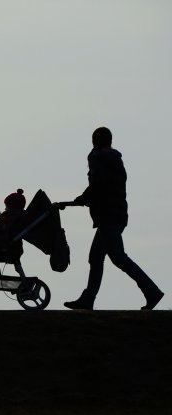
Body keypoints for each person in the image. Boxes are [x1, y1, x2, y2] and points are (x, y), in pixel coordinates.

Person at [63, 126, 163, 311]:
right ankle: (88, 299)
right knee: (96, 257)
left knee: (118, 257)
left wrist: (82, 199)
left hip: (108, 216)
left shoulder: (98, 157)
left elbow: (98, 184)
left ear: (94, 140)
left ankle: (152, 291)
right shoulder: (115, 159)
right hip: (116, 214)